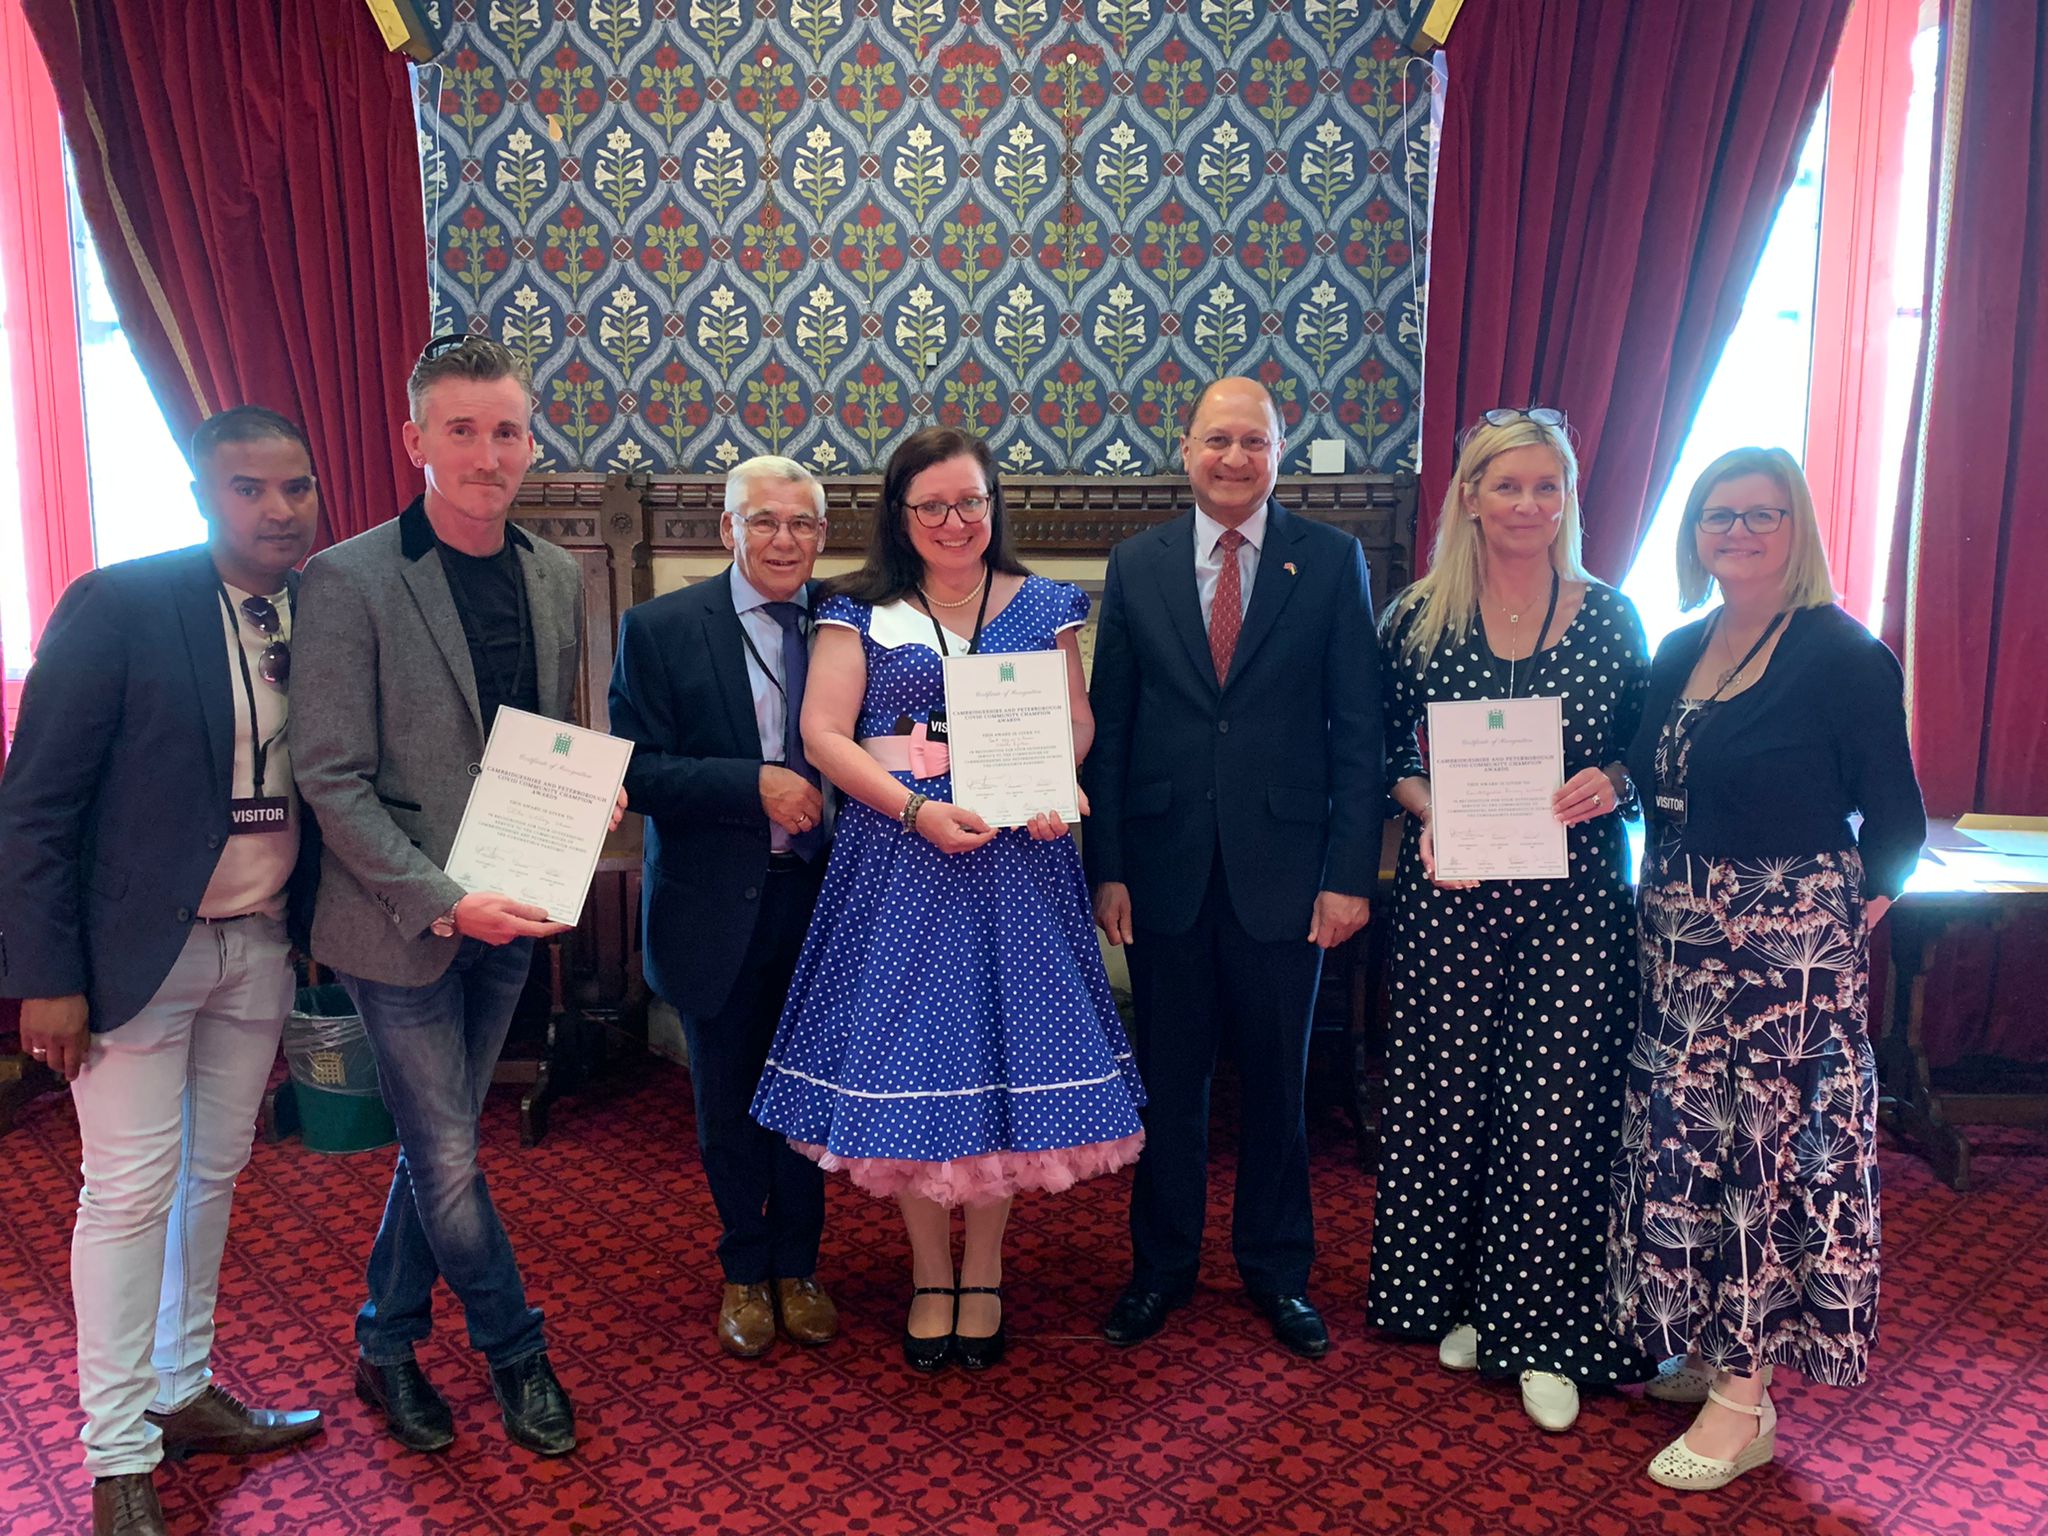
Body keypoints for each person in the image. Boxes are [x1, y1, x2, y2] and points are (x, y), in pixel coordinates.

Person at [750, 426, 1144, 1372]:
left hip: (1020, 864)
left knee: (1003, 1070)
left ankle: (989, 1271)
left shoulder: (1046, 603)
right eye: (932, 504)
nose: (955, 521)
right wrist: (918, 811)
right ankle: (931, 1272)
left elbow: (1076, 720)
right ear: (900, 513)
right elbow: (825, 734)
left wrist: (1053, 784)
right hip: (901, 863)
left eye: (971, 501)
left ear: (994, 505)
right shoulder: (858, 608)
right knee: (914, 1078)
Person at [292, 335, 621, 1458]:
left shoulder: (554, 571)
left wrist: (587, 798)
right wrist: (441, 900)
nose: (490, 453)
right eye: (465, 430)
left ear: (532, 442)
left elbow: (541, 740)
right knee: (445, 1156)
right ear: (414, 441)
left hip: (516, 909)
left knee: (443, 1150)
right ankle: (515, 1349)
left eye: (509, 431)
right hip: (401, 924)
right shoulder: (346, 578)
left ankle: (386, 1339)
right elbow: (328, 775)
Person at [0, 407, 326, 1536]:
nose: (278, 510)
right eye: (249, 489)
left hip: (263, 942)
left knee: (214, 1176)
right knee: (128, 1194)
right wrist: (45, 974)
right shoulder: (123, 605)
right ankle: (116, 1450)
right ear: (202, 494)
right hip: (137, 955)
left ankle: (181, 1393)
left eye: (295, 488)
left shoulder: (323, 608)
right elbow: (36, 804)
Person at [1607, 447, 1924, 1490]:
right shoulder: (1679, 645)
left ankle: (1745, 1402)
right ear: (1691, 533)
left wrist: (1827, 924)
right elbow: (1643, 779)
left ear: (1797, 530)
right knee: (1687, 1149)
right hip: (1678, 941)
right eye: (1716, 515)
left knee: (1765, 1165)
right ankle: (1708, 1347)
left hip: (1783, 963)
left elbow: (1895, 825)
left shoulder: (1841, 653)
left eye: (1761, 513)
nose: (1736, 532)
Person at [1366, 408, 1653, 1430]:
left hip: (1572, 906)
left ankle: (1539, 1329)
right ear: (1469, 498)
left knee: (1553, 1112)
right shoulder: (1412, 619)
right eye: (1507, 486)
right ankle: (1460, 1301)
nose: (1528, 505)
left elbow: (1645, 756)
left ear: (1566, 500)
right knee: (1446, 1103)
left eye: (1547, 488)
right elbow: (1385, 759)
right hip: (1449, 900)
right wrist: (1429, 809)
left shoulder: (1612, 618)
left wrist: (1605, 782)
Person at [1084, 377, 1381, 1358]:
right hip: (1163, 871)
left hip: (1288, 877)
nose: (1233, 457)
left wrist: (1347, 874)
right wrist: (1108, 865)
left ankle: (1274, 1269)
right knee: (1165, 1084)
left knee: (1276, 1085)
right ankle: (1160, 1267)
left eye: (1252, 441)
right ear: (1185, 449)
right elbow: (1111, 728)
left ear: (1277, 454)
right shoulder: (1136, 564)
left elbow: (1358, 732)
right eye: (1217, 439)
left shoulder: (1330, 561)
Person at [607, 456, 840, 1359]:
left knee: (809, 1098)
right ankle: (746, 1268)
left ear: (823, 536)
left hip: (828, 904)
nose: (785, 540)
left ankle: (801, 1265)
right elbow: (634, 765)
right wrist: (756, 786)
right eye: (766, 522)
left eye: (803, 525)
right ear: (728, 530)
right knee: (729, 1102)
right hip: (715, 908)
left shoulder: (851, 623)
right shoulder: (660, 629)